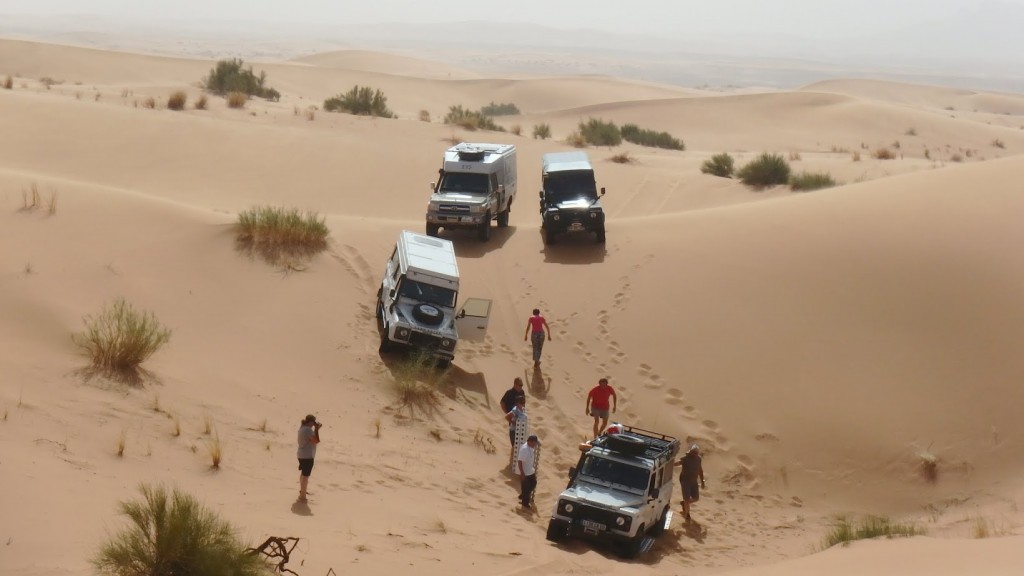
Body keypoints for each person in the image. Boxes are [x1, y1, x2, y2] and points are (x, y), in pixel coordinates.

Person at [676, 443, 705, 521]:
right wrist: (671, 462)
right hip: (685, 481)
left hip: (694, 481)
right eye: (694, 452)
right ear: (691, 451)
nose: (695, 454)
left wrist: (702, 481)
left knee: (696, 498)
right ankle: (687, 514)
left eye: (696, 452)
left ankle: (684, 504)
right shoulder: (685, 458)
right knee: (687, 499)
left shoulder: (699, 459)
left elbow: (700, 470)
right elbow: (678, 463)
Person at [296, 414, 322, 502]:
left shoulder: (302, 428)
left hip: (302, 454)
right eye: (313, 422)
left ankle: (302, 491)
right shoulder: (307, 430)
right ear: (311, 422)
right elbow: (316, 440)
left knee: (303, 474)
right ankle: (302, 496)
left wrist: (315, 429)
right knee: (306, 476)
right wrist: (317, 429)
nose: (313, 424)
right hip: (307, 456)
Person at [517, 434, 541, 508]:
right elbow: (520, 461)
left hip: (530, 471)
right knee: (526, 488)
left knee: (533, 483)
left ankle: (523, 495)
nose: (535, 444)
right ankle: (525, 504)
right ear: (530, 442)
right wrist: (522, 473)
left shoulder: (531, 447)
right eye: (534, 443)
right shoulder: (524, 449)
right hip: (525, 472)